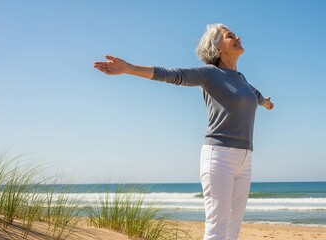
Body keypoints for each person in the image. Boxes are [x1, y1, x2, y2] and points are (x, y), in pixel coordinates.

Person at [94, 23, 274, 240]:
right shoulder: (210, 74)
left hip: (245, 159)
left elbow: (256, 95)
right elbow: (173, 75)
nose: (237, 37)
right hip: (219, 156)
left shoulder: (243, 80)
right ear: (217, 48)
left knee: (234, 227)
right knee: (218, 226)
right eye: (230, 36)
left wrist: (266, 103)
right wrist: (129, 68)